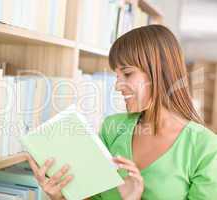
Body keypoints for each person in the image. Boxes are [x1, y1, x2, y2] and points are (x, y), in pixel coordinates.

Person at [26, 24, 217, 200]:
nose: (117, 86)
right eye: (116, 76)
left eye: (127, 74)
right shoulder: (112, 128)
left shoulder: (205, 147)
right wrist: (61, 196)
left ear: (160, 71)